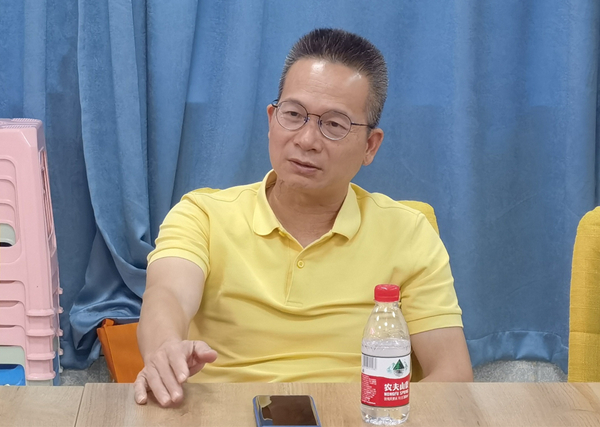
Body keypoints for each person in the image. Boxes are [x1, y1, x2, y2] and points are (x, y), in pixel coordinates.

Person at [134, 28, 473, 407]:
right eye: (293, 115)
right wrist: (165, 348)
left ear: (370, 146)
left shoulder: (408, 231)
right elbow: (167, 294)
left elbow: (452, 373)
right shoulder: (203, 215)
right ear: (271, 119)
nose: (307, 140)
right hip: (224, 413)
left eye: (334, 124)